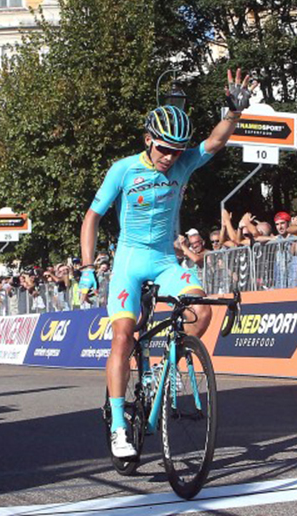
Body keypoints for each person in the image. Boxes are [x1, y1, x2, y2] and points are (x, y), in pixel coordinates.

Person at [79, 68, 254, 460]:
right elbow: (92, 217)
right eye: (163, 149)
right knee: (124, 335)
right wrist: (87, 268)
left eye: (177, 151)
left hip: (163, 260)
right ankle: (120, 426)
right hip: (128, 261)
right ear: (148, 141)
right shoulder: (124, 169)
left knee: (200, 308)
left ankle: (164, 369)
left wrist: (234, 113)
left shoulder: (182, 164)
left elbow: (215, 140)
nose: (170, 157)